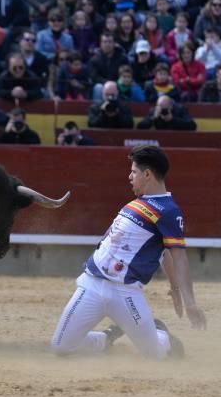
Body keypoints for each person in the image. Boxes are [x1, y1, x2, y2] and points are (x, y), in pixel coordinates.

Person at [50, 144, 206, 359]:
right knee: (61, 346)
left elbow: (177, 257)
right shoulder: (134, 205)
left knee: (155, 355)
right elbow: (163, 253)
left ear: (148, 174)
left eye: (134, 172)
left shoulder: (168, 211)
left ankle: (161, 335)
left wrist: (188, 301)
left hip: (125, 293)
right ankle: (105, 340)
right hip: (92, 284)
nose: (129, 176)